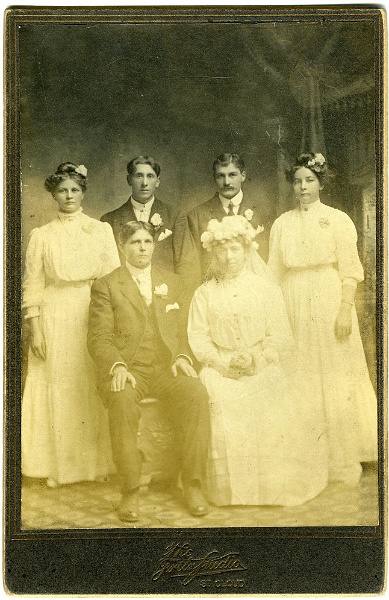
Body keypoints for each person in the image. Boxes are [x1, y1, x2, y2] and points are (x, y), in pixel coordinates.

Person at [188, 215, 328, 506]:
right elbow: (199, 339)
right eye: (222, 250)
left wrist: (259, 359)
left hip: (260, 363)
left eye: (235, 249)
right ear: (213, 253)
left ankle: (272, 489)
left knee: (271, 396)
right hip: (220, 367)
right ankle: (230, 493)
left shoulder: (266, 289)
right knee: (218, 398)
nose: (228, 257)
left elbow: (280, 336)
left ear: (246, 250)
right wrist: (224, 364)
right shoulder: (204, 294)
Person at [87, 221, 211, 522]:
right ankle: (130, 491)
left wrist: (182, 357)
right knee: (121, 398)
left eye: (146, 242)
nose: (142, 248)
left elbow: (184, 330)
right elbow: (99, 336)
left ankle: (192, 485)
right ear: (122, 247)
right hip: (131, 370)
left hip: (166, 368)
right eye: (134, 242)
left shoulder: (172, 281)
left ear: (154, 246)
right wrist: (117, 365)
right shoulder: (106, 285)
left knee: (196, 392)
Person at [267, 152, 377, 486]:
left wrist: (345, 308)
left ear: (320, 183)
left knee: (334, 373)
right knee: (299, 373)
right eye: (297, 181)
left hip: (329, 298)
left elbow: (350, 270)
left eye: (309, 180)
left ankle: (344, 457)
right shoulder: (282, 223)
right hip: (292, 300)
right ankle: (304, 455)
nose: (303, 187)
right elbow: (273, 273)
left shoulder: (338, 219)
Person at [22, 162, 120, 488]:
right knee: (59, 384)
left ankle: (95, 465)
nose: (68, 196)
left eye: (74, 190)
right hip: (54, 313)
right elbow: (32, 285)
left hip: (93, 310)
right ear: (53, 193)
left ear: (82, 192)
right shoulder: (41, 236)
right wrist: (35, 329)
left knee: (89, 382)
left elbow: (114, 280)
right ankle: (58, 467)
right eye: (62, 190)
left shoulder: (100, 230)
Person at [175, 153, 268, 293]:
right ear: (214, 178)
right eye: (220, 176)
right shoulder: (196, 216)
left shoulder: (262, 212)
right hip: (214, 294)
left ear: (243, 175)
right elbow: (192, 268)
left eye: (232, 175)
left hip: (255, 293)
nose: (226, 182)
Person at [101, 155, 177, 272]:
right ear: (129, 180)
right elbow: (106, 266)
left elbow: (186, 263)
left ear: (157, 181)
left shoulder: (175, 216)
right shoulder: (109, 220)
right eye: (139, 176)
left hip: (164, 287)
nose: (144, 183)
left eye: (150, 176)